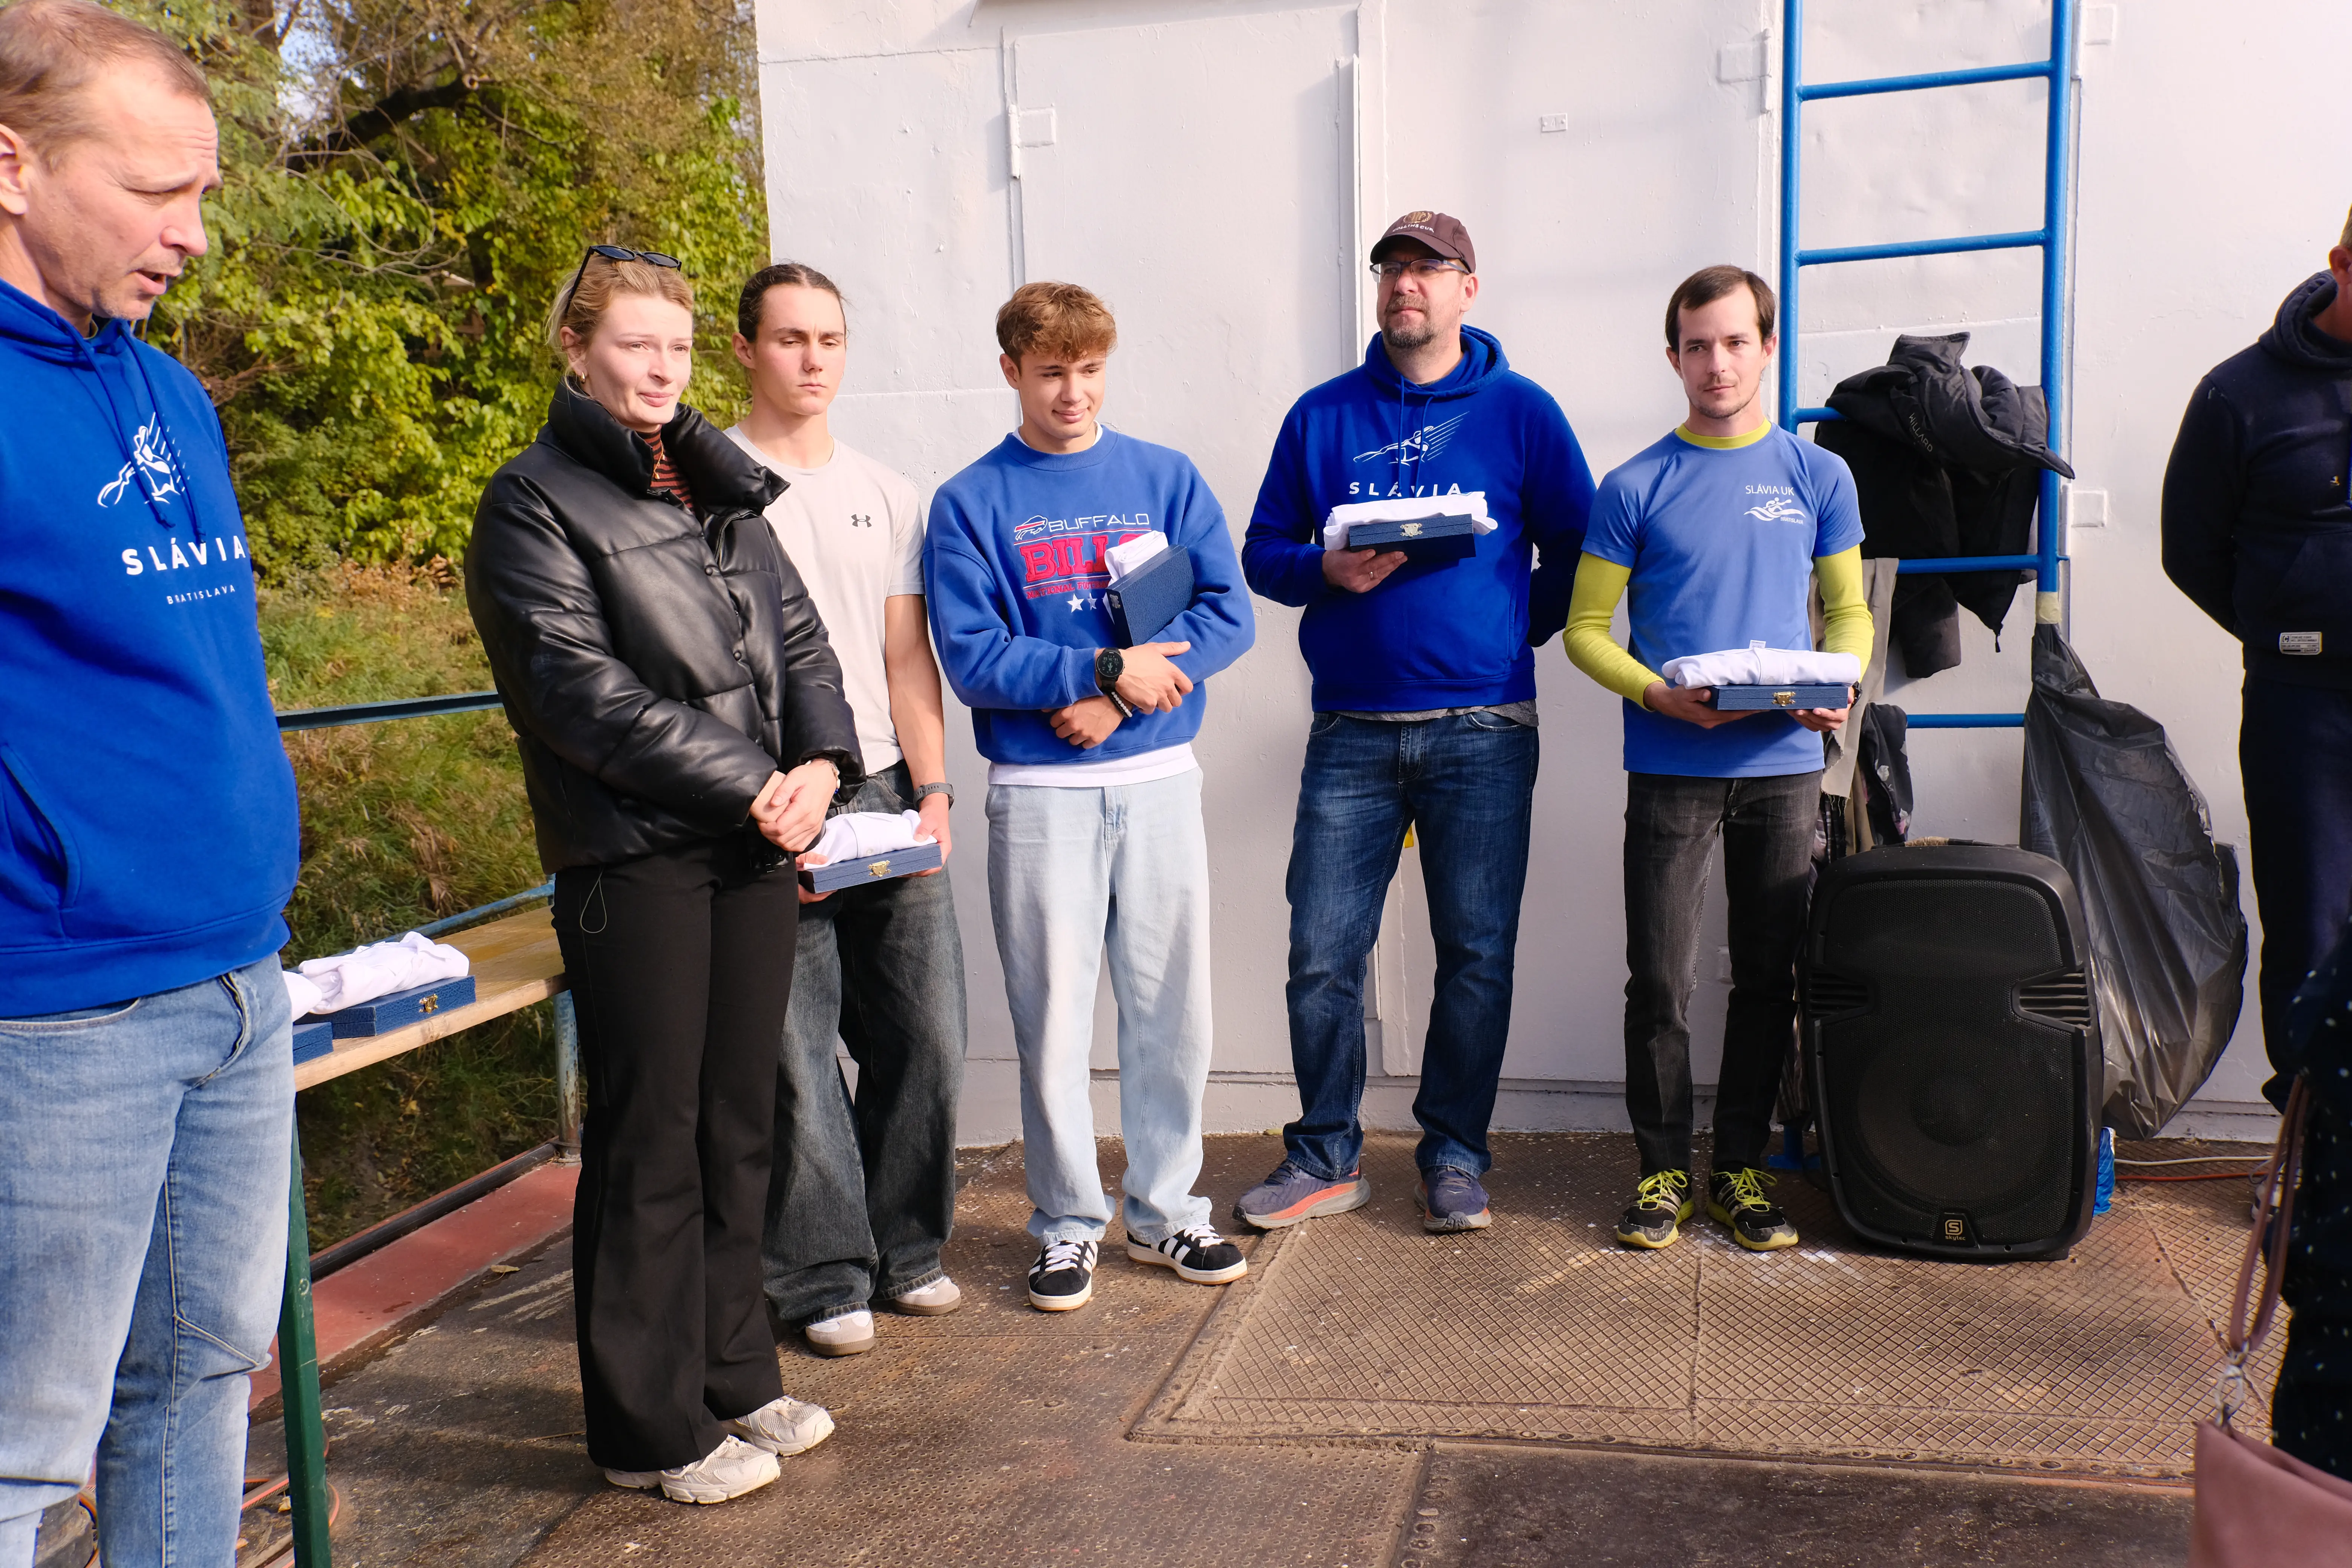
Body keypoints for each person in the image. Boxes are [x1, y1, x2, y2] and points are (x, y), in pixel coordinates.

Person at [467, 245, 861, 1504]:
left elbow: (798, 641)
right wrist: (750, 778)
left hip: (750, 846)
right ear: (577, 349)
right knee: (653, 1138)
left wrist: (821, 765)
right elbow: (575, 691)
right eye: (635, 344)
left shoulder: (716, 489)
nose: (659, 369)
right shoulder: (529, 502)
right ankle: (645, 1431)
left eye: (679, 349)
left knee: (742, 1122)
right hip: (632, 860)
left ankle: (735, 1378)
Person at [0, 6, 302, 1563]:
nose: (193, 232)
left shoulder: (169, 390)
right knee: (20, 1446)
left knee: (193, 1383)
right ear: (12, 164)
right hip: (58, 1016)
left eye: (205, 192)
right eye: (153, 190)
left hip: (239, 975)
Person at [1235, 210, 1595, 1236]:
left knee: (1475, 952)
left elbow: (1580, 542)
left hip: (1484, 727)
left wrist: (1513, 626)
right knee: (1321, 952)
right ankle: (1324, 1158)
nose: (1406, 285)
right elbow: (1265, 550)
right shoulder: (1322, 416)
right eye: (1391, 269)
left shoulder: (1522, 412)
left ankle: (1454, 1156)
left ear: (1468, 290)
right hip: (1351, 730)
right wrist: (1324, 570)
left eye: (1429, 269)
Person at [925, 281, 1256, 1311]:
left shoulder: (1163, 477)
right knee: (1055, 1021)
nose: (1074, 391)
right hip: (1038, 798)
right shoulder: (972, 501)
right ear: (1013, 372)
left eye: (1091, 369)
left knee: (1171, 1014)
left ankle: (1167, 1216)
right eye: (1053, 370)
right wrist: (1106, 671)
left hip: (1155, 779)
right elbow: (975, 659)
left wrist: (1113, 698)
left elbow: (1228, 616)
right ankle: (1068, 1226)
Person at [1563, 264, 1871, 1253]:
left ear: (1769, 349)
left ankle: (1739, 1169)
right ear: (1674, 357)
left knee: (1768, 978)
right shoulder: (1635, 484)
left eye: (1736, 342)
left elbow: (1851, 610)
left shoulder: (1818, 477)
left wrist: (1844, 680)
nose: (1717, 362)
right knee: (1659, 981)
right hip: (1670, 767)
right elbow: (1584, 630)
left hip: (1783, 765)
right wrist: (1656, 693)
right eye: (1698, 345)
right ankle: (1662, 1172)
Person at [727, 262, 969, 1358]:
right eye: (789, 339)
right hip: (766, 799)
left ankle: (908, 1250)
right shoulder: (708, 485)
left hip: (880, 790)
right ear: (745, 350)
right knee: (794, 1047)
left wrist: (933, 791)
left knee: (926, 1035)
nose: (813, 359)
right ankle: (823, 1277)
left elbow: (905, 660)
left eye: (829, 338)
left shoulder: (887, 489)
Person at [2162, 209, 2352, 1108]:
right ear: (2341, 263)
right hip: (2302, 707)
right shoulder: (2239, 395)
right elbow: (2191, 551)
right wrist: (2283, 628)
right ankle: (2309, 1150)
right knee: (2311, 926)